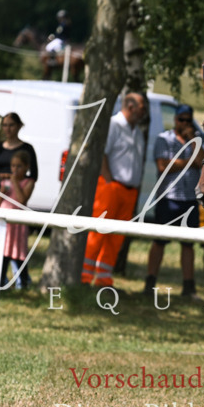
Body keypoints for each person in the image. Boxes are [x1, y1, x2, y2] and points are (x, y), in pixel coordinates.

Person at [81, 92, 147, 288]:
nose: (145, 112)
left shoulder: (137, 130)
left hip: (129, 191)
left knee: (116, 236)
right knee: (98, 232)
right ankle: (85, 278)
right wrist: (109, 181)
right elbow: (102, 154)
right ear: (130, 106)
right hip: (111, 188)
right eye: (142, 108)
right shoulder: (114, 125)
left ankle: (103, 279)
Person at [144, 105, 204, 298]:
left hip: (189, 200)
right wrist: (189, 161)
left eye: (188, 120)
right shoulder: (164, 139)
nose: (185, 123)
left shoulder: (198, 139)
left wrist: (193, 144)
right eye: (182, 120)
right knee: (159, 242)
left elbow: (203, 163)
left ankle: (188, 287)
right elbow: (164, 166)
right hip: (168, 199)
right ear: (175, 120)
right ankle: (150, 282)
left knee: (188, 245)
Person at [0, 150, 35, 289]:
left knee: (18, 254)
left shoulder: (28, 183)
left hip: (18, 225)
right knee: (3, 254)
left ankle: (23, 283)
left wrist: (15, 183)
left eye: (19, 166)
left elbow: (21, 200)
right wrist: (1, 192)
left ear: (26, 167)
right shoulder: (6, 183)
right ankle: (0, 282)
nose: (15, 169)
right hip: (5, 224)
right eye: (13, 166)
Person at [0, 112, 38, 207]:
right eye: (5, 125)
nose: (8, 129)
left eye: (11, 125)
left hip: (18, 191)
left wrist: (14, 179)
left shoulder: (27, 148)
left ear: (19, 126)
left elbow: (34, 175)